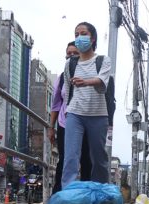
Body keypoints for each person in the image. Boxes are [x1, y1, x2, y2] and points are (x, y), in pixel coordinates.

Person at [61, 22, 111, 189]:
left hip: (98, 115)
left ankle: (101, 192)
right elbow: (68, 90)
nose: (79, 38)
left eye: (83, 33)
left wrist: (86, 82)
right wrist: (67, 112)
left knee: (99, 158)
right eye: (76, 35)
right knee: (71, 156)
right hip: (75, 113)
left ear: (92, 37)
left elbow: (102, 82)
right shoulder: (70, 64)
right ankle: (68, 193)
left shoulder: (103, 61)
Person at [50, 42, 92, 194]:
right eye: (69, 53)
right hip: (64, 124)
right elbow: (55, 105)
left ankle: (86, 194)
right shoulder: (62, 78)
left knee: (86, 159)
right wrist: (51, 127)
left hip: (85, 123)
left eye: (75, 53)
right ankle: (59, 193)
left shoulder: (90, 75)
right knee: (65, 158)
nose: (71, 56)